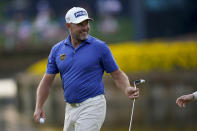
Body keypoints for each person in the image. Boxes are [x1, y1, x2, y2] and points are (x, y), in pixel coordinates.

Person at [33, 7, 139, 131]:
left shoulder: (100, 47)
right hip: (70, 108)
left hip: (93, 105)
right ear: (68, 26)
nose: (85, 28)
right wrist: (39, 106)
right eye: (80, 24)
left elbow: (117, 74)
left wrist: (127, 88)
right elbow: (46, 81)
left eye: (86, 23)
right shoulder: (57, 50)